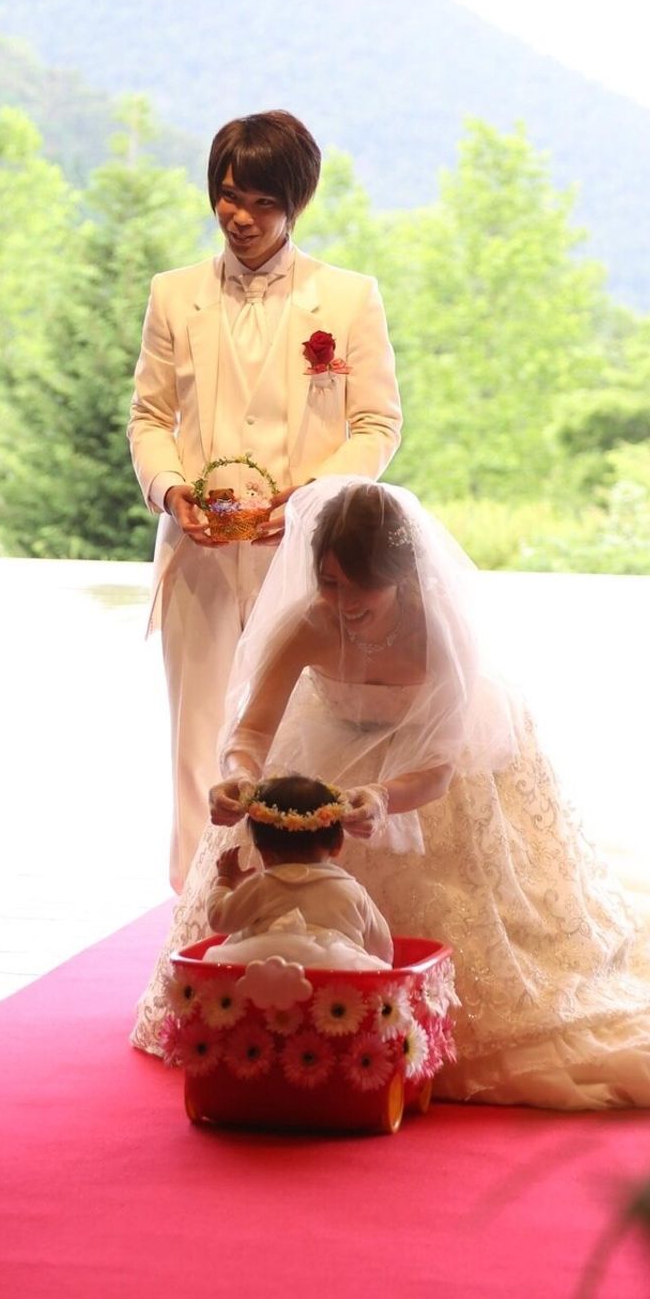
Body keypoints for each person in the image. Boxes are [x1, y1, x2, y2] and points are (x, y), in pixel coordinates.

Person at [132, 479, 650, 1110]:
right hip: (332, 745)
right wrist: (239, 774)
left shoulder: (440, 635)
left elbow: (437, 769)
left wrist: (380, 798)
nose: (341, 605)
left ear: (400, 577)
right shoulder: (310, 622)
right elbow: (252, 730)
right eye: (329, 583)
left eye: (360, 591)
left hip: (425, 770)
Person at [127, 109, 402, 893]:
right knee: (198, 737)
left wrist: (313, 499)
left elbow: (377, 423)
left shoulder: (347, 298)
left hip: (307, 559)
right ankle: (195, 908)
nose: (240, 217)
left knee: (296, 729)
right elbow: (149, 417)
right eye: (227, 196)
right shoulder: (174, 295)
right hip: (200, 553)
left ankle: (304, 894)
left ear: (296, 204)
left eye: (260, 202)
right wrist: (170, 490)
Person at [203, 774, 394, 970]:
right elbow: (382, 949)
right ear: (337, 845)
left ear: (263, 851)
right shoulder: (352, 891)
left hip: (262, 972)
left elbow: (219, 920)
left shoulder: (261, 886)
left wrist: (225, 880)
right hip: (337, 978)